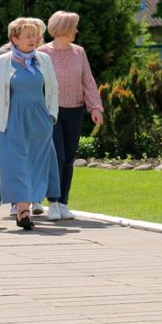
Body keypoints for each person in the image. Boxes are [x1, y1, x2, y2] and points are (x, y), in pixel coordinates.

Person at [0, 18, 60, 230]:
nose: (33, 39)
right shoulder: (2, 61)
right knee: (16, 165)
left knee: (34, 164)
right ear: (14, 39)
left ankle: (28, 204)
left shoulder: (44, 59)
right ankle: (23, 210)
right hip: (9, 121)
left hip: (39, 121)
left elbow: (53, 91)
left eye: (35, 35)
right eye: (28, 36)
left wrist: (51, 116)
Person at [39, 11, 104, 220]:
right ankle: (53, 202)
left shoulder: (79, 52)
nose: (76, 30)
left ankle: (64, 202)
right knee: (57, 156)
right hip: (51, 112)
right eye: (74, 27)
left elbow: (88, 80)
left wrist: (95, 107)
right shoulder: (42, 53)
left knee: (69, 158)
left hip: (74, 111)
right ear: (65, 28)